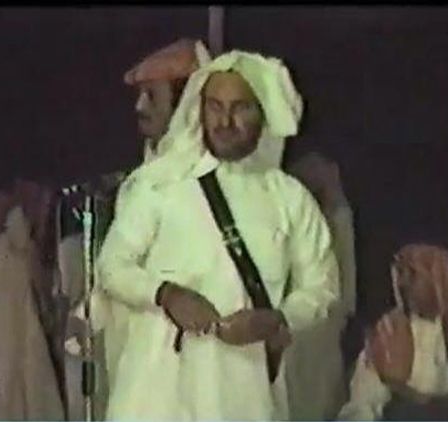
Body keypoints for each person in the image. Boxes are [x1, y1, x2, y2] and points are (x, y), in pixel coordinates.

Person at [97, 50, 340, 420]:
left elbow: (322, 287)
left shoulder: (290, 199)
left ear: (263, 112)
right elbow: (113, 267)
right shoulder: (159, 184)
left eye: (240, 108)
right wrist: (166, 294)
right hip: (158, 394)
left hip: (246, 393)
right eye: (215, 106)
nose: (225, 121)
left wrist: (278, 319)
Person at [57, 38, 211, 420]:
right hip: (137, 359)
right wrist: (92, 310)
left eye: (152, 96)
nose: (139, 107)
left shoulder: (209, 182)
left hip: (188, 363)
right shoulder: (140, 183)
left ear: (186, 103)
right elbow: (124, 263)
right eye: (140, 96)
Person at [337, 243, 448, 421]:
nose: (402, 282)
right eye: (399, 270)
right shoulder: (389, 329)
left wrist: (400, 390)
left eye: (413, 272)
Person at [0, 191, 65, 420]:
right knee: (27, 383)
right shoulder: (22, 248)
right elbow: (41, 287)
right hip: (21, 323)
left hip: (2, 326)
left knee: (10, 384)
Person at [285, 152, 356, 419]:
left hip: (322, 344)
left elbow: (344, 297)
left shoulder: (333, 227)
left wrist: (333, 193)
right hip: (287, 345)